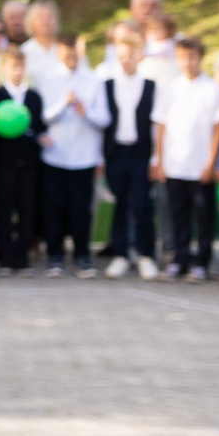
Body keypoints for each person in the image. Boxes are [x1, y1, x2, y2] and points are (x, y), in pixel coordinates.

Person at [155, 35, 219, 280]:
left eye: (192, 57)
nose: (187, 63)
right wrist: (159, 160)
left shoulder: (212, 89)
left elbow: (218, 128)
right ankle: (180, 259)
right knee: (178, 215)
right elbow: (161, 126)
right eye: (182, 58)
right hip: (175, 165)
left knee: (204, 217)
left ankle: (201, 263)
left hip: (201, 166)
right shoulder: (170, 88)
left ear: (201, 58)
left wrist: (211, 162)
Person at [97, 26, 158, 279]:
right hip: (116, 153)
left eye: (131, 55)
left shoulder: (151, 86)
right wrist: (101, 157)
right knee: (119, 204)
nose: (126, 60)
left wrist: (156, 157)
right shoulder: (107, 85)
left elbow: (156, 124)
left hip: (141, 153)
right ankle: (121, 254)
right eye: (122, 55)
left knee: (143, 204)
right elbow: (102, 123)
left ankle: (145, 255)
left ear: (140, 56)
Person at [40, 35, 103, 276]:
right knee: (54, 207)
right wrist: (63, 103)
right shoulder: (51, 79)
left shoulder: (93, 79)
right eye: (66, 54)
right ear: (59, 54)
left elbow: (103, 119)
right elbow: (45, 116)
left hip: (84, 156)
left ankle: (82, 255)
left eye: (75, 54)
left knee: (81, 209)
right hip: (56, 155)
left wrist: (85, 111)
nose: (71, 59)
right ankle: (55, 256)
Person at [0, 47, 45, 275]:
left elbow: (38, 126)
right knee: (5, 207)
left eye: (21, 67)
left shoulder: (34, 97)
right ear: (4, 69)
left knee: (27, 208)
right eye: (13, 67)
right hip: (5, 162)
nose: (18, 71)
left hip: (29, 163)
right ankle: (6, 256)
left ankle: (23, 255)